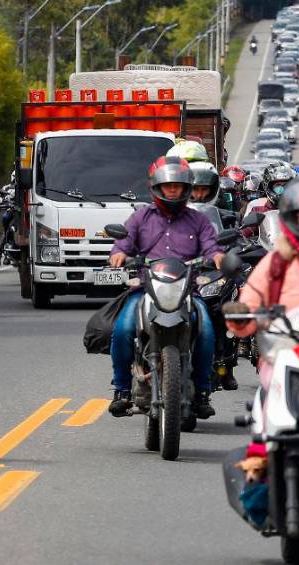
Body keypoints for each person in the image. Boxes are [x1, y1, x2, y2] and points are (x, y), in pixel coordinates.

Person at [107, 156, 224, 419]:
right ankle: (122, 390)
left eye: (178, 186)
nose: (173, 190)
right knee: (123, 329)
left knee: (206, 331)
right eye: (168, 185)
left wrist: (217, 257)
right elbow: (123, 244)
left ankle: (203, 392)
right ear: (157, 187)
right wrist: (119, 255)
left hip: (186, 292)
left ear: (186, 188)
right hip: (146, 290)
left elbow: (212, 246)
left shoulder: (199, 220)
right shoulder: (139, 218)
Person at [226, 175, 299, 470]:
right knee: (268, 399)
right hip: (286, 355)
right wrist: (241, 316)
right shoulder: (275, 265)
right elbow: (249, 305)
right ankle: (260, 461)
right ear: (291, 219)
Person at [241, 163, 295, 237]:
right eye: (278, 185)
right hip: (268, 247)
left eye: (286, 185)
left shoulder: (298, 210)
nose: (282, 189)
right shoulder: (258, 211)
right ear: (268, 187)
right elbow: (244, 234)